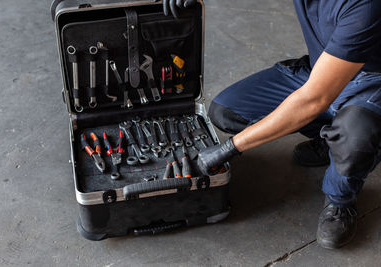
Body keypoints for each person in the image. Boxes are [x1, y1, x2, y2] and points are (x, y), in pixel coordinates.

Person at [163, 0, 381, 249]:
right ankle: (329, 138)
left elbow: (313, 99)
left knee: (356, 137)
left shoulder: (366, 6)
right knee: (227, 111)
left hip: (369, 85)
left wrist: (230, 147)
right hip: (319, 69)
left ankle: (340, 200)